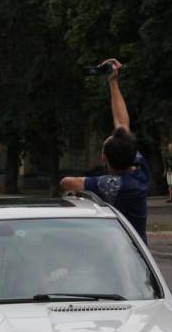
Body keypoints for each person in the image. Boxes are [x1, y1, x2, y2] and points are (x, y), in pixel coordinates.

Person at [59, 59, 150, 241]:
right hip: (136, 247)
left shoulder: (112, 185)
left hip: (123, 250)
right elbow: (122, 123)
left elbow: (67, 182)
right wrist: (113, 82)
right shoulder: (139, 169)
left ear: (104, 158)